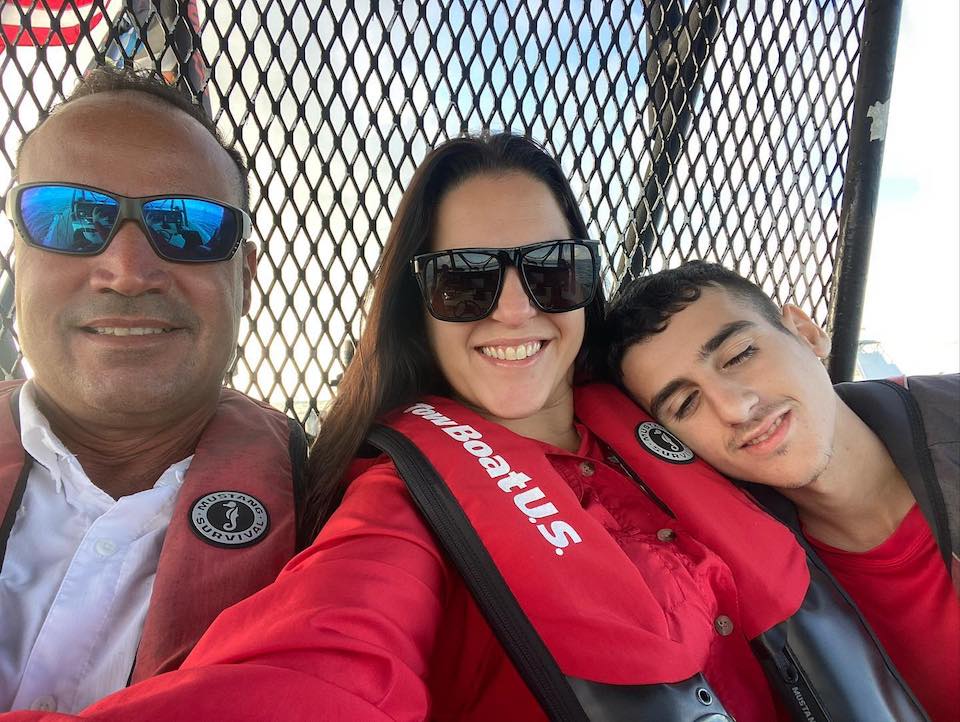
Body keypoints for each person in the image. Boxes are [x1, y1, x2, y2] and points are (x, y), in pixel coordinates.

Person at [0, 135, 927, 722]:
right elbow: (329, 667)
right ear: (421, 306)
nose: (516, 311)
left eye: (551, 271)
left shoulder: (679, 418)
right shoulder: (406, 501)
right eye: (467, 279)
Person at [0, 67, 306, 715]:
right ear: (17, 256)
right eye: (70, 218)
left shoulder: (337, 505)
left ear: (244, 278)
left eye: (188, 226)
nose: (129, 271)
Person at [604, 260, 959, 722]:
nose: (735, 407)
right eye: (686, 403)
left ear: (806, 333)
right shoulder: (740, 594)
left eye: (738, 355)